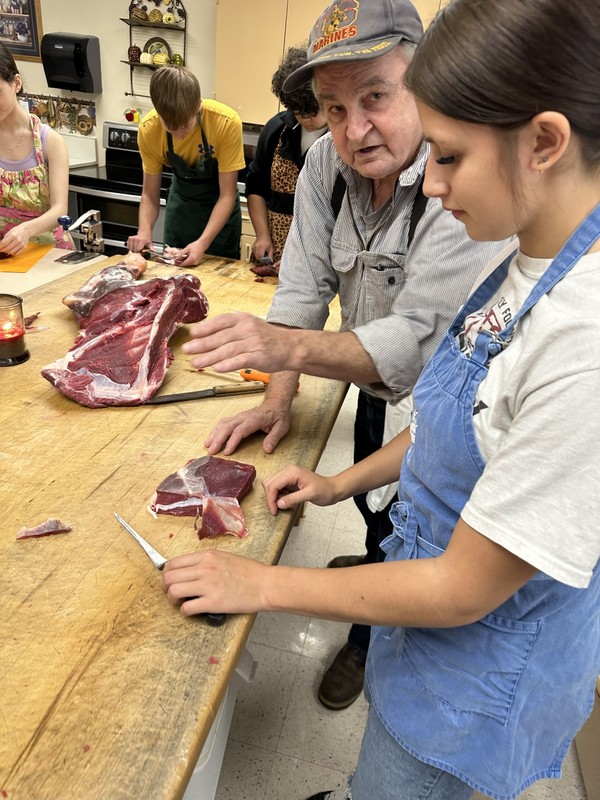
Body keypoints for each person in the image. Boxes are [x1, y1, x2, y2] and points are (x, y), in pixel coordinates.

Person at [164, 0, 600, 797]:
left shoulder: (583, 340)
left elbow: (461, 588)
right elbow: (456, 420)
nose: (429, 181)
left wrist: (261, 584)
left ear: (544, 143)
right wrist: (339, 483)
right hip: (428, 640)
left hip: (474, 685)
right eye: (334, 109)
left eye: (448, 154)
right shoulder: (527, 267)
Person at [178, 0, 509, 711]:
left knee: (422, 529)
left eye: (376, 98)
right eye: (333, 108)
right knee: (368, 498)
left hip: (442, 402)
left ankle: (366, 638)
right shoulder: (325, 163)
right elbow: (302, 288)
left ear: (424, 81)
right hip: (371, 388)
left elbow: (415, 344)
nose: (354, 130)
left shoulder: (460, 181)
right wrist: (277, 396)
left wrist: (286, 345)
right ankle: (376, 555)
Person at [127, 65, 245, 267]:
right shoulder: (148, 129)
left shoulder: (226, 123)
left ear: (198, 107)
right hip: (181, 214)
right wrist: (144, 231)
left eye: (185, 126)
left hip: (220, 220)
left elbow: (227, 194)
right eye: (170, 128)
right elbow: (150, 194)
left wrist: (202, 242)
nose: (180, 135)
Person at [246, 46, 327, 274]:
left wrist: (306, 256)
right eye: (299, 112)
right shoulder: (276, 130)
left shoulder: (342, 139)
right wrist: (262, 235)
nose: (307, 119)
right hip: (274, 251)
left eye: (314, 111)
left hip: (320, 258)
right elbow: (256, 187)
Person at [0, 43, 72, 256]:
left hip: (49, 253)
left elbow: (60, 210)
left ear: (16, 83)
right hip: (5, 256)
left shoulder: (50, 141)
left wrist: (26, 230)